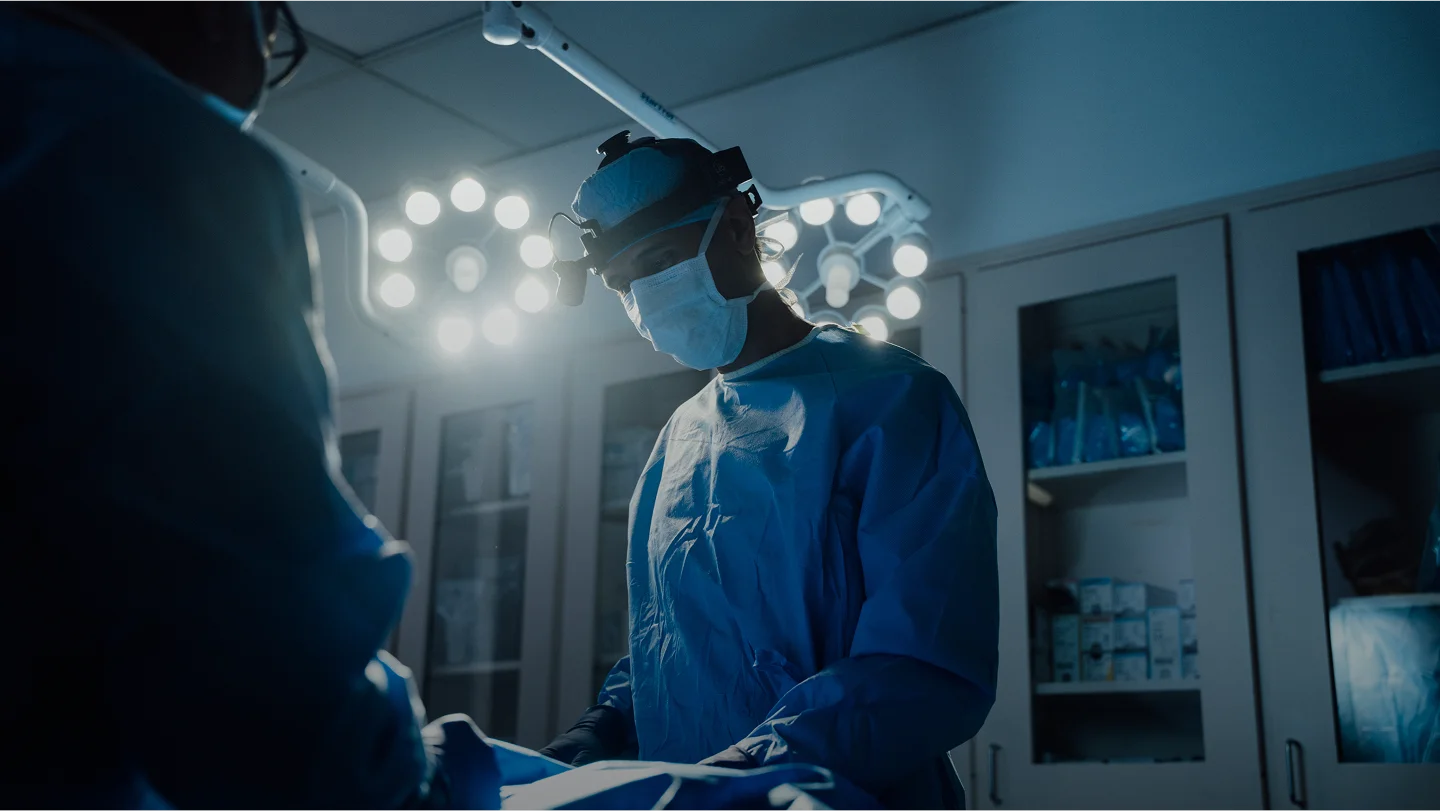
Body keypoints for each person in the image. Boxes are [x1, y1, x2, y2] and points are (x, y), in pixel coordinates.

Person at [1, 1, 482, 807]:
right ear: (225, 15)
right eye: (273, 43)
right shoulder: (151, 146)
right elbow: (257, 651)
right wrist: (418, 773)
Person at [540, 132, 999, 809]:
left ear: (736, 227)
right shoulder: (677, 443)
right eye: (623, 282)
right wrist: (605, 724)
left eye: (662, 260)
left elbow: (922, 664)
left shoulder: (891, 401)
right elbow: (670, 644)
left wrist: (752, 767)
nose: (646, 296)